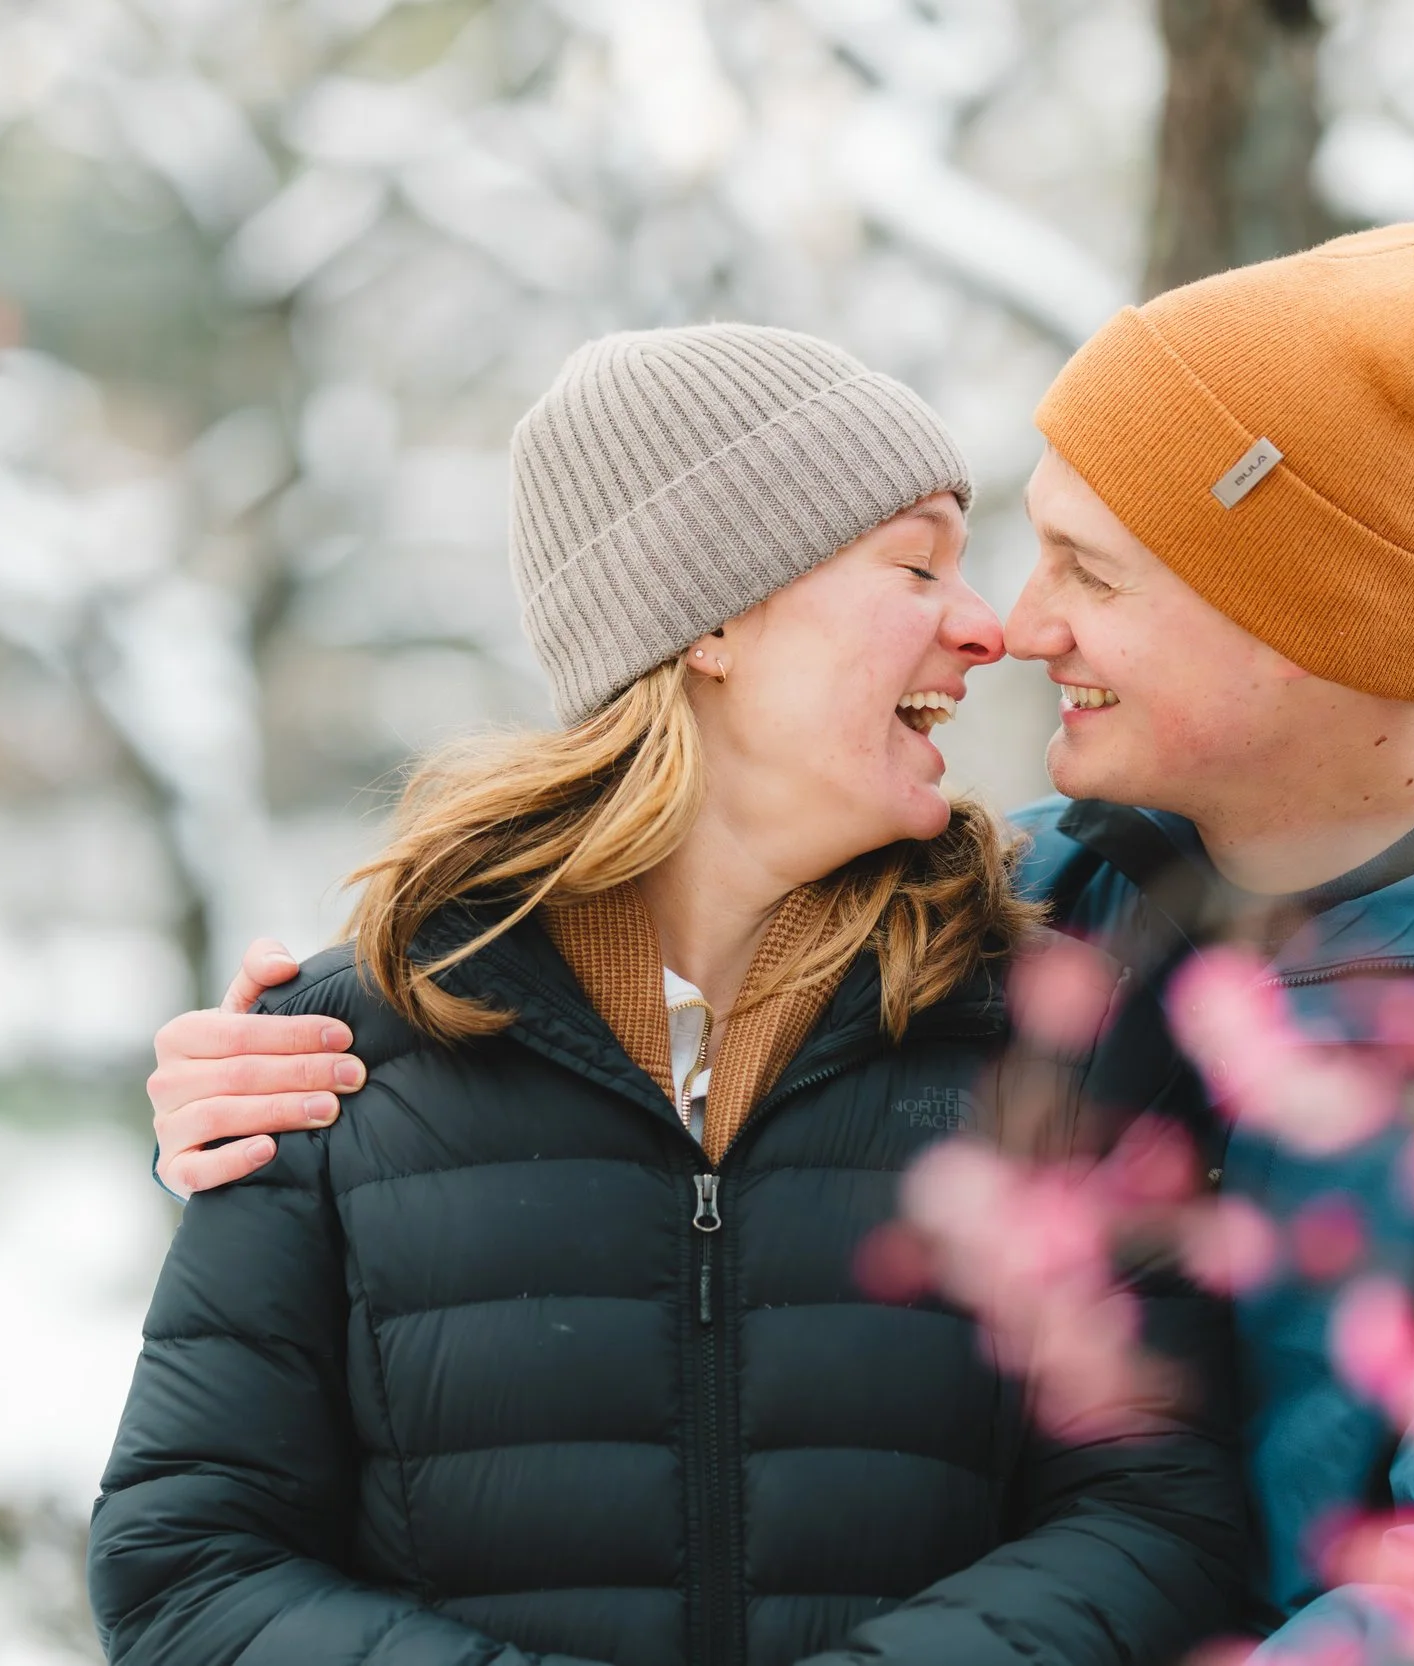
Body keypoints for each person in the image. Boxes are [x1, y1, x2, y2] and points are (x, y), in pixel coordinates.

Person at [149, 228, 1414, 1665]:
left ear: (1291, 612)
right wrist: (274, 1076)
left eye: (1092, 567)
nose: (1021, 618)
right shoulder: (1051, 915)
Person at [90, 324, 1253, 1666]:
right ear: (713, 618)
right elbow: (183, 1568)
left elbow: (1162, 1515)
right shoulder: (343, 1060)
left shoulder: (1052, 1036)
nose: (986, 626)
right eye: (918, 564)